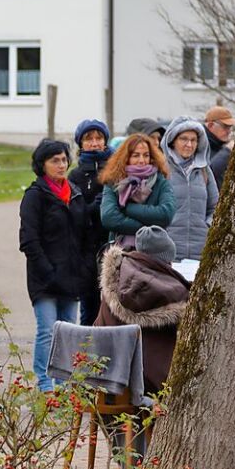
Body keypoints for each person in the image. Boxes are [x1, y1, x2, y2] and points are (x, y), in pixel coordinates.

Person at [19, 139, 91, 393]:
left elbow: (85, 236)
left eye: (63, 160)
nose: (61, 165)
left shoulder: (75, 193)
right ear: (42, 165)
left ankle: (65, 382)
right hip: (45, 279)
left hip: (72, 277)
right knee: (47, 331)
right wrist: (48, 271)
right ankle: (45, 383)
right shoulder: (35, 196)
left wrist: (83, 269)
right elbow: (29, 240)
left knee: (68, 333)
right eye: (54, 161)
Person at [95, 226, 190, 395]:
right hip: (149, 387)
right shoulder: (175, 292)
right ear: (166, 260)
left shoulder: (116, 274)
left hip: (104, 378)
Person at [68, 119, 113, 325]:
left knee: (113, 307)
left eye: (99, 138)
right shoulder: (76, 176)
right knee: (89, 309)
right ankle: (85, 355)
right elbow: (76, 211)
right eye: (89, 139)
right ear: (81, 144)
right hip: (86, 249)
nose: (94, 143)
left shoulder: (115, 169)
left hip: (112, 245)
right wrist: (96, 205)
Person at [99, 134, 175, 249]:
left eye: (146, 155)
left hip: (154, 252)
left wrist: (127, 208)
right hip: (121, 253)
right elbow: (109, 218)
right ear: (126, 158)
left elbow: (166, 214)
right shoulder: (113, 182)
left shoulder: (160, 181)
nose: (141, 160)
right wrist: (147, 229)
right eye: (136, 155)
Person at [160, 116, 218, 261]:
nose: (189, 144)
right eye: (184, 139)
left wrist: (207, 227)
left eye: (193, 140)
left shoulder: (205, 170)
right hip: (167, 251)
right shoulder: (160, 169)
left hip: (201, 252)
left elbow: (215, 207)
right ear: (172, 141)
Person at [204, 106, 235, 190]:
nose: (229, 131)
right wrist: (227, 150)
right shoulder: (199, 144)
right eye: (225, 127)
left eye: (230, 127)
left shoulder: (219, 143)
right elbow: (208, 174)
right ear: (210, 125)